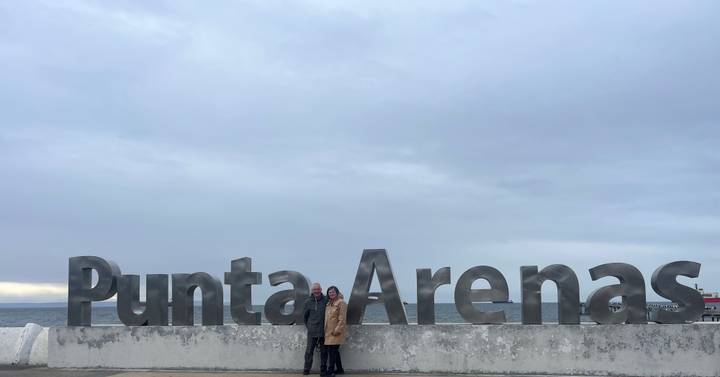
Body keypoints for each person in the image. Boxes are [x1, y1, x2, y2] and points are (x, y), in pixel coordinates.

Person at [303, 283, 328, 375]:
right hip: (312, 331)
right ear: (312, 291)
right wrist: (309, 326)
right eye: (315, 290)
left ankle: (323, 368)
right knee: (309, 351)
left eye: (318, 289)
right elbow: (305, 317)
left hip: (324, 330)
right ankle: (306, 369)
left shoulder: (326, 300)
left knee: (324, 351)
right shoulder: (307, 302)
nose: (316, 291)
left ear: (321, 290)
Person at [323, 286, 347, 376]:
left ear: (337, 292)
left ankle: (330, 370)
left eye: (333, 292)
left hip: (335, 332)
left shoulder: (341, 303)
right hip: (328, 332)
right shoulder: (329, 303)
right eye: (329, 292)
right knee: (335, 351)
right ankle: (340, 369)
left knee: (332, 351)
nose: (331, 294)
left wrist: (337, 330)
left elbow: (342, 319)